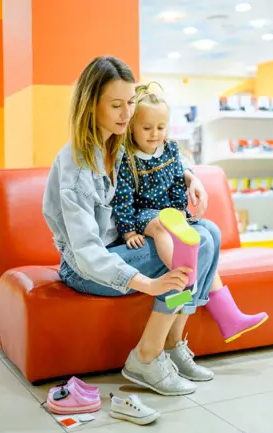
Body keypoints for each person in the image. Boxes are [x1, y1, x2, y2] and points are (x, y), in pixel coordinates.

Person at [43, 56, 215, 396]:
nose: (127, 114)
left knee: (209, 231)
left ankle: (171, 345)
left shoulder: (117, 144)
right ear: (92, 106)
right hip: (85, 267)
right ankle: (147, 357)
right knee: (199, 243)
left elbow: (157, 158)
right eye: (117, 105)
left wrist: (190, 176)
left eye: (131, 103)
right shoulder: (77, 167)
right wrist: (148, 283)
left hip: (120, 249)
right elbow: (87, 253)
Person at [111, 82, 269, 342]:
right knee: (163, 227)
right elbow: (124, 197)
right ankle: (183, 278)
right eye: (147, 128)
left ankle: (228, 316)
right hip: (145, 216)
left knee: (210, 232)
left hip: (171, 212)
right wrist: (128, 231)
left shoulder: (171, 149)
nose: (154, 134)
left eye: (160, 128)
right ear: (132, 128)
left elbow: (176, 177)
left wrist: (185, 198)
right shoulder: (128, 158)